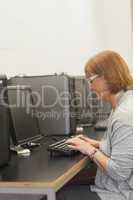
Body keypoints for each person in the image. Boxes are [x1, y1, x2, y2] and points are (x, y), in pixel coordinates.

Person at [56, 50, 133, 200]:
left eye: (90, 81)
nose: (90, 88)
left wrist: (89, 150)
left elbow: (119, 172)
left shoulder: (125, 114)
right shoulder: (123, 104)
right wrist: (97, 144)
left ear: (106, 77)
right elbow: (123, 146)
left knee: (60, 194)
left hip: (122, 193)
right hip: (117, 186)